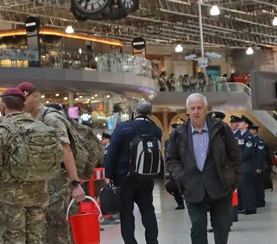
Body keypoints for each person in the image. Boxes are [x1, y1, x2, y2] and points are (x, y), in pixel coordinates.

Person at [164, 93, 242, 244]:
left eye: (199, 108)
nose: (196, 111)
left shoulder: (221, 129)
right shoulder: (179, 133)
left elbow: (235, 156)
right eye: (192, 108)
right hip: (192, 187)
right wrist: (182, 176)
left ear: (206, 109)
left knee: (222, 227)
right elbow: (171, 158)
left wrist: (234, 180)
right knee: (198, 227)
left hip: (220, 186)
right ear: (187, 110)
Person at [0, 86, 61, 244]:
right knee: (36, 239)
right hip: (39, 194)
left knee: (14, 239)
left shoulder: (1, 132)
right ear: (23, 105)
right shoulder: (42, 128)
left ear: (3, 106)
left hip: (11, 198)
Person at [17, 81, 85, 244]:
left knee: (60, 233)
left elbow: (66, 150)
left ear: (35, 96)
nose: (23, 104)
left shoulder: (51, 119)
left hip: (59, 186)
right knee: (43, 233)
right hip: (41, 187)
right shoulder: (27, 120)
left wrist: (75, 184)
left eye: (25, 99)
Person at [103, 100, 161, 244]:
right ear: (151, 114)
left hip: (124, 178)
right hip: (146, 178)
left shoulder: (123, 128)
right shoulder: (156, 130)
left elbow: (112, 152)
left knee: (127, 213)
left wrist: (108, 175)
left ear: (135, 112)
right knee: (148, 210)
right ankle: (152, 241)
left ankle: (130, 242)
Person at [234, 115, 258, 214]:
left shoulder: (249, 136)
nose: (238, 123)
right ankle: (243, 206)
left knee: (248, 188)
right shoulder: (239, 135)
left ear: (246, 125)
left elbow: (247, 152)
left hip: (247, 166)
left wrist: (237, 159)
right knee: (242, 188)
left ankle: (250, 207)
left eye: (241, 122)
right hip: (241, 166)